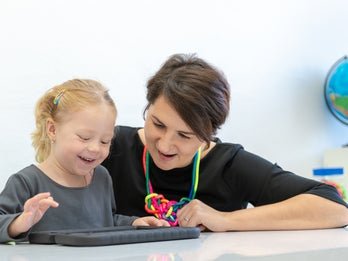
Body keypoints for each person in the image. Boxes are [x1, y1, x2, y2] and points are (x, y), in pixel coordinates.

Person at [102, 53, 348, 231]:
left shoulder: (229, 164)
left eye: (185, 136)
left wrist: (226, 220)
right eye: (158, 124)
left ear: (208, 132)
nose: (165, 145)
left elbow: (334, 207)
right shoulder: (109, 146)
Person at [0, 79, 168, 243]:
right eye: (84, 137)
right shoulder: (26, 182)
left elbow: (106, 222)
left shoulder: (102, 177)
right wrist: (18, 224)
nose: (95, 148)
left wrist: (133, 223)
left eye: (105, 141)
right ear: (52, 130)